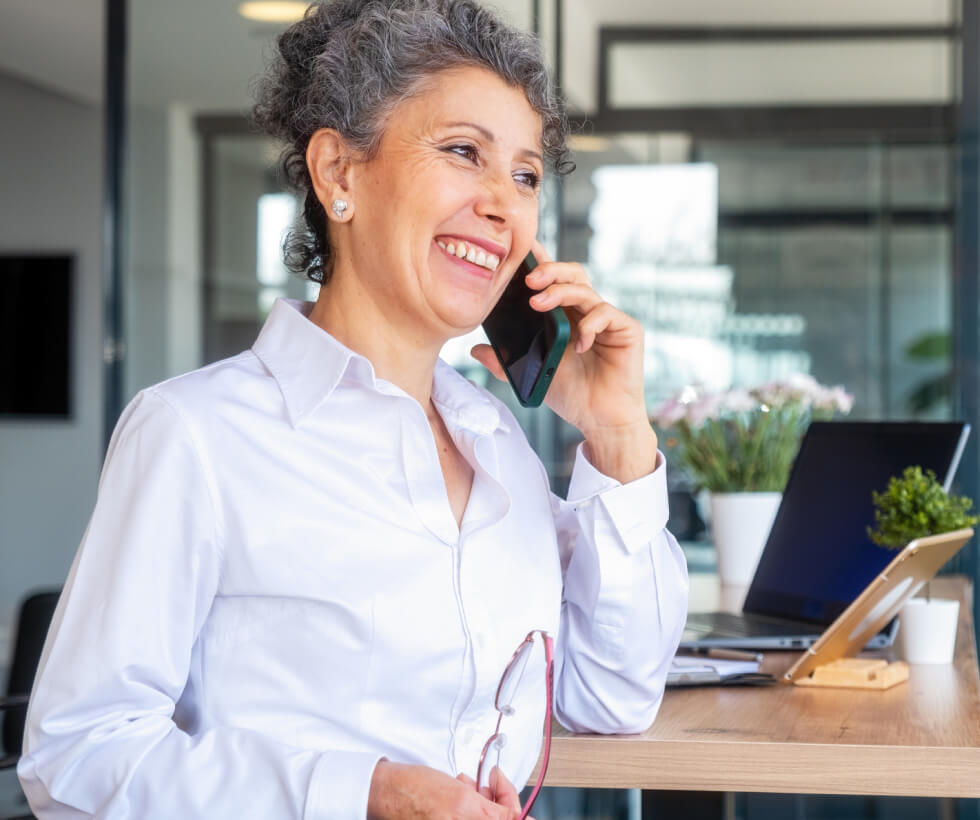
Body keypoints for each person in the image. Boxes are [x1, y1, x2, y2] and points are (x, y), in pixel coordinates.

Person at [18, 1, 688, 817]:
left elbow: (609, 697)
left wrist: (619, 438)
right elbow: (77, 756)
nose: (503, 204)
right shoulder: (196, 435)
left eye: (524, 175)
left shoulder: (495, 444)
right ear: (338, 172)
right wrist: (362, 793)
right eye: (462, 152)